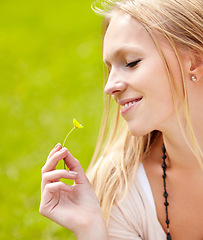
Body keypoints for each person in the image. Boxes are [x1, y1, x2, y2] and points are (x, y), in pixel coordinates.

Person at [39, 0, 203, 239]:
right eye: (110, 68)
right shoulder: (119, 185)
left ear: (194, 61)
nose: (109, 86)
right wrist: (91, 229)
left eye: (131, 63)